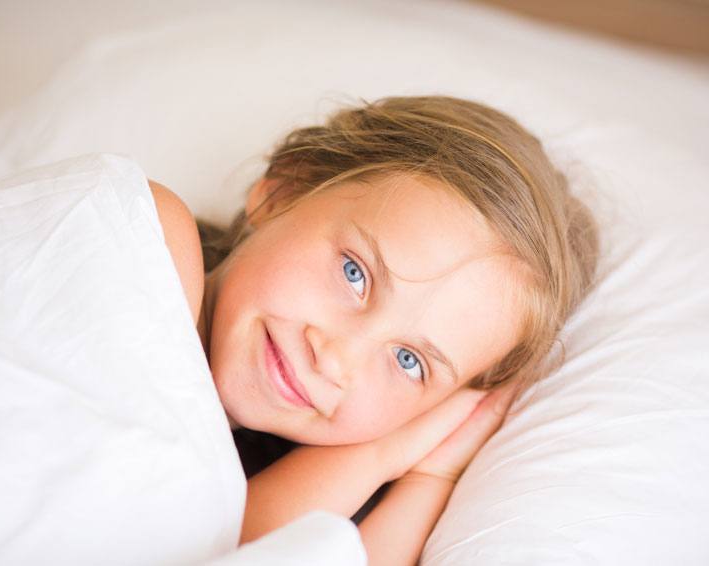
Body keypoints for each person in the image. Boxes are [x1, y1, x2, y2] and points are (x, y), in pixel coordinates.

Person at [151, 95, 599, 566]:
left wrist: (424, 469)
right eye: (355, 274)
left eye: (409, 362)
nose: (336, 358)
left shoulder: (322, 486)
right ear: (284, 191)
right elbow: (197, 539)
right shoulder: (154, 241)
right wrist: (382, 452)